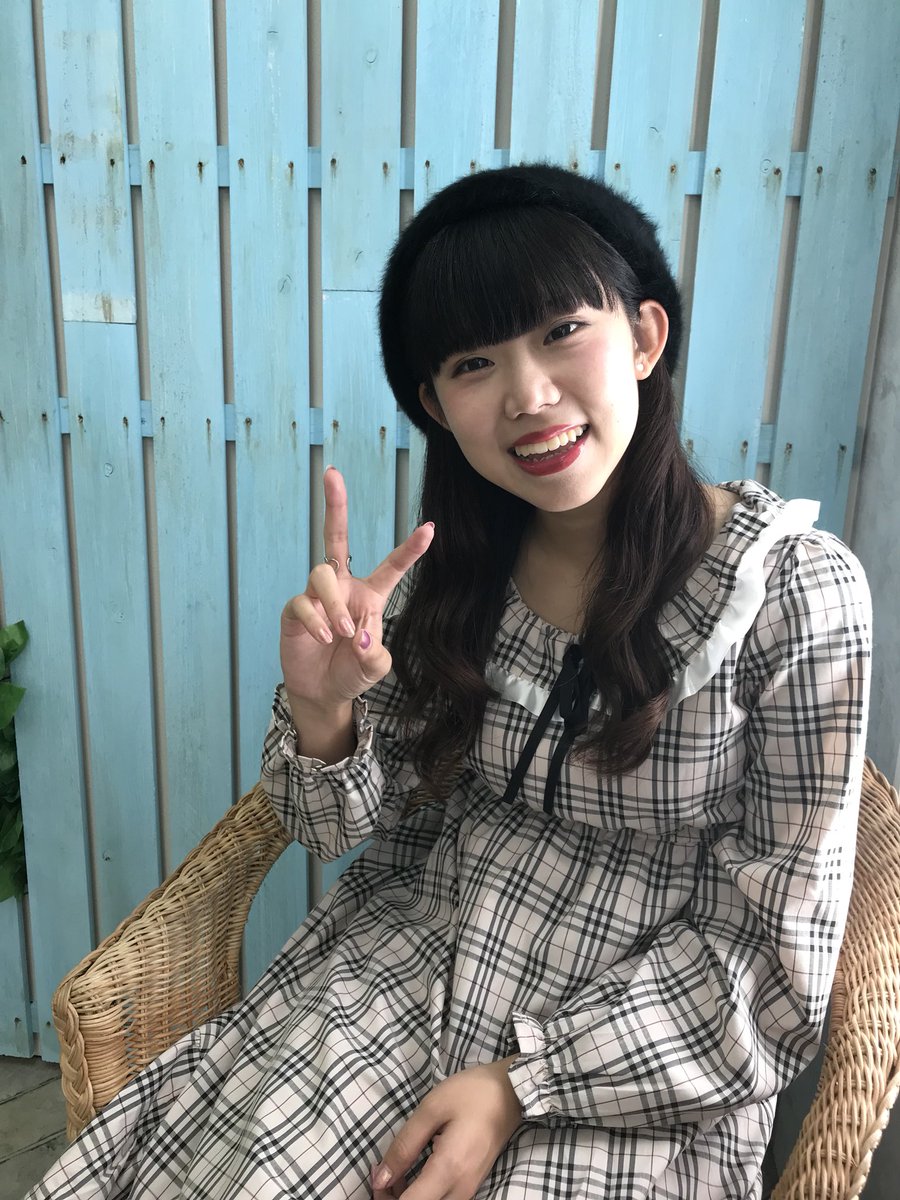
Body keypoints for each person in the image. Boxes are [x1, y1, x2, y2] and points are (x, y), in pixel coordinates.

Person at [27, 163, 871, 1200]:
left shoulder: (795, 593)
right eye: (475, 362)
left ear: (646, 337)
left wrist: (524, 1083)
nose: (528, 395)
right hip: (408, 963)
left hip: (641, 1051)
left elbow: (777, 973)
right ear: (436, 403)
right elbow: (332, 828)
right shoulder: (456, 577)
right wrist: (324, 708)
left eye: (563, 330)